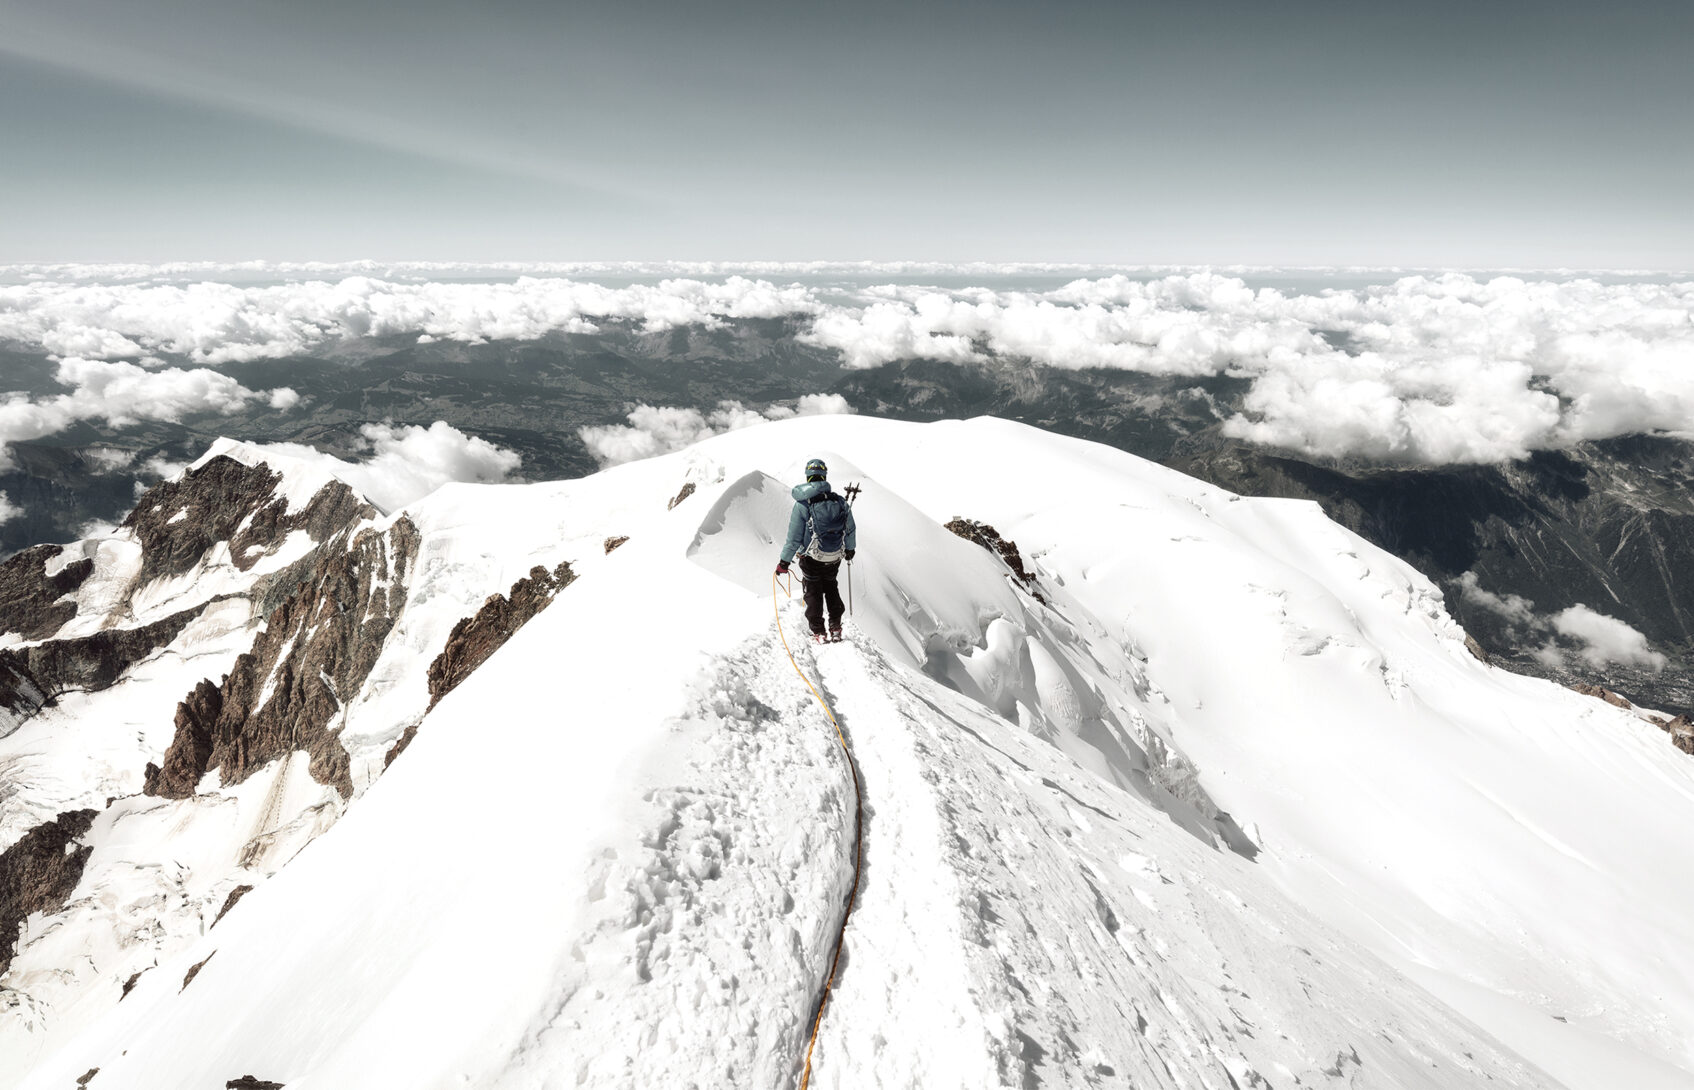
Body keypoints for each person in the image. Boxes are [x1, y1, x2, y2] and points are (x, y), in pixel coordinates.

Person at [775, 458, 857, 642]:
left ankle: (819, 632)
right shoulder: (840, 502)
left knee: (813, 592)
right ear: (824, 475)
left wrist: (784, 562)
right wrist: (850, 549)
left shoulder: (803, 504)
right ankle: (836, 626)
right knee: (831, 587)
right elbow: (850, 528)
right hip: (834, 556)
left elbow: (794, 538)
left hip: (811, 558)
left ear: (808, 477)